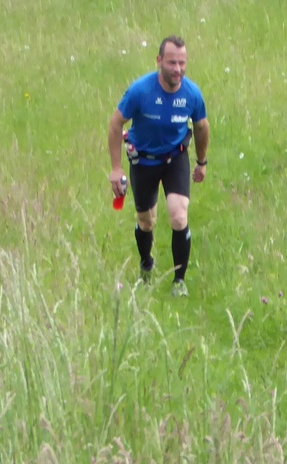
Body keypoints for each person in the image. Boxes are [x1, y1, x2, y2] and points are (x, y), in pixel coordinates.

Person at [108, 35, 209, 297]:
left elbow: (201, 126)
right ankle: (146, 265)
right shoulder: (140, 91)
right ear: (159, 61)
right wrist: (116, 169)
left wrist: (201, 162)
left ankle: (179, 281)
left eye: (182, 63)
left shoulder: (192, 94)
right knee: (147, 222)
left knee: (178, 214)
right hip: (143, 161)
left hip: (175, 158)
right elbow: (115, 123)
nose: (178, 69)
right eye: (172, 62)